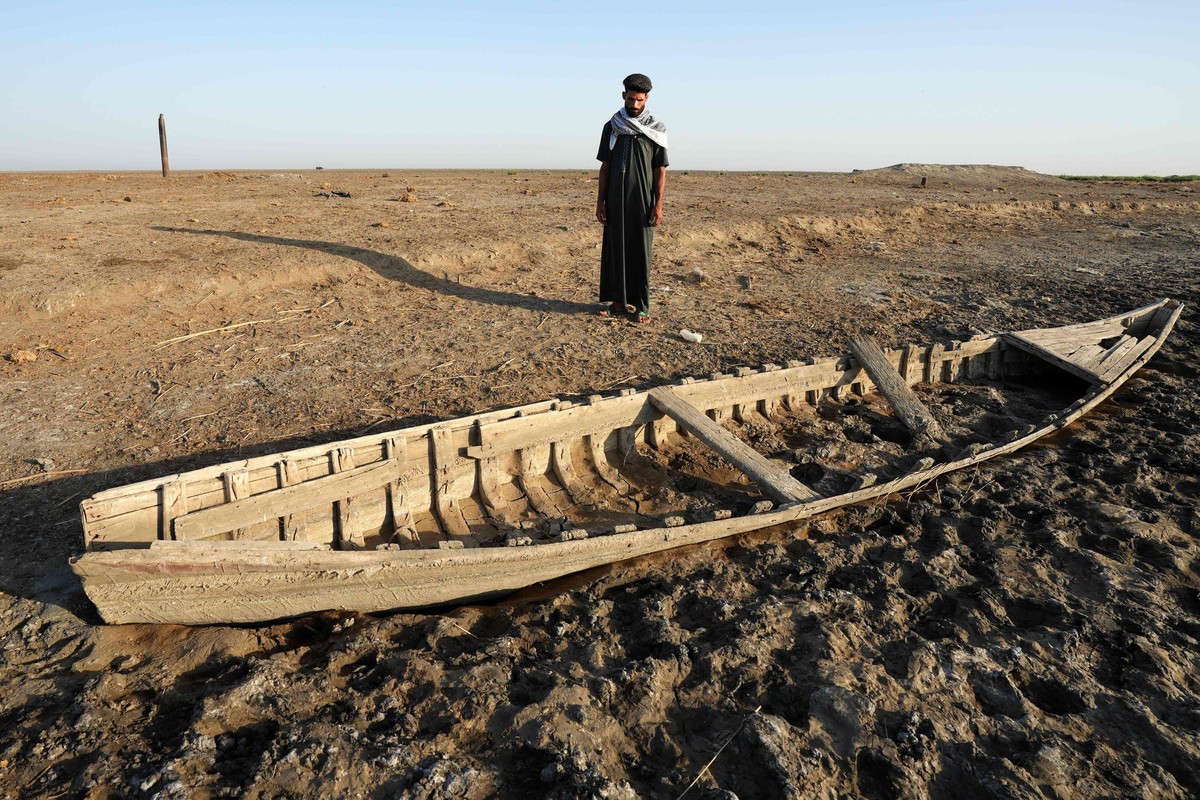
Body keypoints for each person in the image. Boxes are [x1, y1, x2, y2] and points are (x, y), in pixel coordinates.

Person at [595, 73, 668, 324]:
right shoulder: (612, 127)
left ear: (646, 98)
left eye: (639, 100)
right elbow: (605, 166)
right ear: (623, 95)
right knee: (615, 249)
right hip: (615, 200)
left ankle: (641, 307)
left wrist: (658, 205)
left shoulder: (656, 130)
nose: (634, 105)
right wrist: (600, 201)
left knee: (640, 251)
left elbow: (660, 170)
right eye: (630, 99)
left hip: (642, 202)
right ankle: (617, 303)